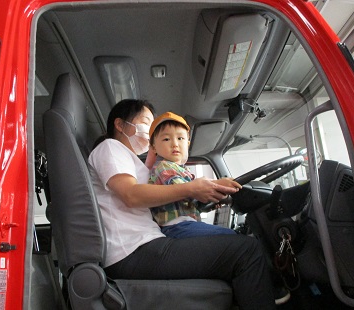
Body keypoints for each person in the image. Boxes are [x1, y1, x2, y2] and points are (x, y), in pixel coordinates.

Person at [88, 99, 276, 310]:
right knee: (247, 251)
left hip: (144, 246)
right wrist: (192, 189)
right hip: (133, 252)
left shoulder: (132, 161)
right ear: (120, 125)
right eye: (145, 123)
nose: (148, 130)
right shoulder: (110, 147)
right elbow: (131, 195)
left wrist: (206, 190)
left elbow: (158, 192)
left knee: (239, 247)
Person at [148, 111, 239, 238]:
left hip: (187, 224)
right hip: (175, 227)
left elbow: (190, 199)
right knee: (232, 237)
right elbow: (185, 191)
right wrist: (216, 185)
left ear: (188, 143)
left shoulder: (183, 170)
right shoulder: (163, 167)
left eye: (180, 138)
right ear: (154, 147)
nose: (175, 143)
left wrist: (207, 203)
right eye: (166, 139)